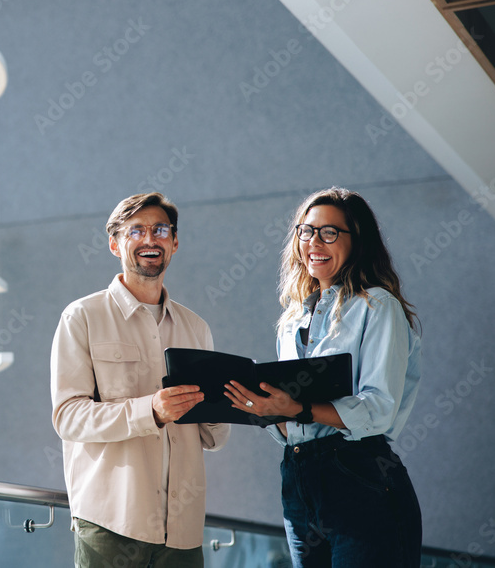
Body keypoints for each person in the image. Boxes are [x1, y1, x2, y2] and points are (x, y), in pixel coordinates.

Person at [224, 187, 422, 566]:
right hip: (298, 479)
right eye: (306, 231)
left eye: (329, 232)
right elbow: (291, 420)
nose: (314, 242)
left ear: (357, 241)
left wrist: (298, 408)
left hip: (358, 475)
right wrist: (264, 410)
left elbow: (379, 410)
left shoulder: (377, 306)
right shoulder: (293, 318)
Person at [51, 192, 230, 568]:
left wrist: (230, 402)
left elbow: (214, 437)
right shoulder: (82, 317)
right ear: (115, 243)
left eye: (160, 230)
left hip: (182, 531)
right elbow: (68, 417)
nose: (150, 239)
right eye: (136, 231)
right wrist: (150, 410)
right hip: (110, 523)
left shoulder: (196, 328)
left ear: (175, 242)